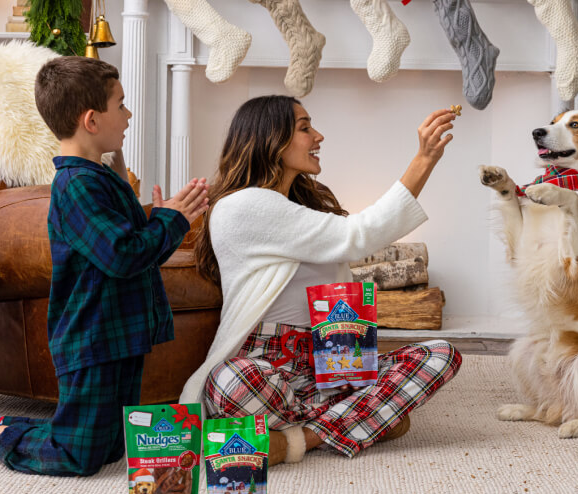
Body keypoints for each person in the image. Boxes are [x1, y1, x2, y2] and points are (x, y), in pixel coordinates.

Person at [0, 56, 208, 476]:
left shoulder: (102, 177)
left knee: (110, 445)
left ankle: (16, 426)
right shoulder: (76, 186)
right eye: (121, 105)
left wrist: (160, 217)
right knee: (79, 456)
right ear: (92, 120)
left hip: (121, 333)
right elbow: (122, 254)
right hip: (91, 338)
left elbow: (129, 248)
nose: (128, 115)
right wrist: (171, 221)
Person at [180, 95, 462, 465]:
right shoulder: (244, 205)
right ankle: (363, 419)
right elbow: (357, 236)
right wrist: (424, 159)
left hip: (330, 362)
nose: (319, 136)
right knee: (231, 382)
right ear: (271, 139)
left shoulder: (298, 208)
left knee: (440, 354)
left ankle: (299, 439)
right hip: (266, 365)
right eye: (305, 128)